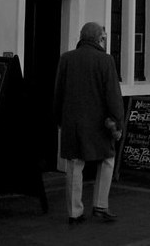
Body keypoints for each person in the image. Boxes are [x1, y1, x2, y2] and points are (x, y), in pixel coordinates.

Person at [53, 22, 124, 225]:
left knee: (74, 165)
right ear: (98, 38)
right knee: (107, 160)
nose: (104, 40)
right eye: (103, 37)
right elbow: (113, 95)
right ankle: (101, 205)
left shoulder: (66, 58)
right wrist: (118, 121)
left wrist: (57, 119)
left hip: (73, 122)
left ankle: (74, 212)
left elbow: (58, 92)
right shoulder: (105, 60)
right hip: (99, 123)